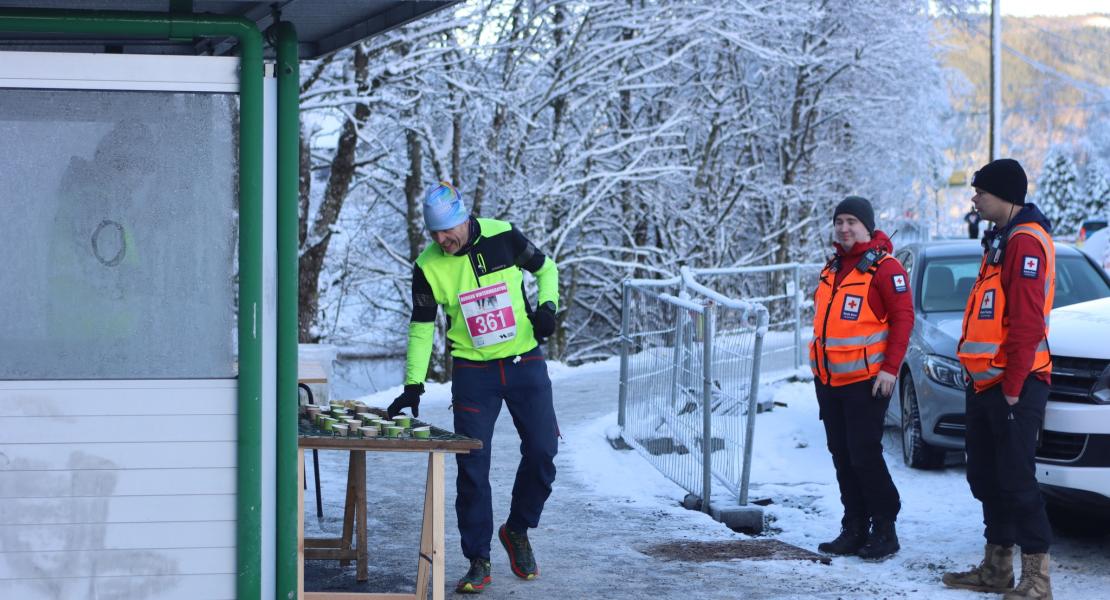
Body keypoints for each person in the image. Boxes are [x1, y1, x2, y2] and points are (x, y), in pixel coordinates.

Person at [388, 182, 560, 594]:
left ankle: (517, 530)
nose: (441, 240)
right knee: (472, 464)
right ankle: (477, 559)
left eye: (447, 231)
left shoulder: (504, 235)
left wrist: (549, 307)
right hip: (472, 372)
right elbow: (421, 328)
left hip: (524, 361)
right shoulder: (428, 266)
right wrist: (414, 383)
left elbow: (546, 268)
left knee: (542, 449)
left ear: (464, 218)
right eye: (434, 234)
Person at [943, 158, 1055, 600]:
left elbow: (1026, 323)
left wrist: (1011, 388)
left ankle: (1037, 579)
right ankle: (996, 569)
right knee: (986, 478)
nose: (974, 198)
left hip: (1016, 386)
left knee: (1016, 479)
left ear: (1005, 195)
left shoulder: (1025, 243)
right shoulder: (1001, 240)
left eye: (981, 192)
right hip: (986, 384)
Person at [809, 196, 912, 561]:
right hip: (830, 380)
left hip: (868, 381)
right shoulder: (834, 266)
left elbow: (903, 319)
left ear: (868, 225)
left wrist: (890, 369)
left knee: (864, 454)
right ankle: (854, 525)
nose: (844, 228)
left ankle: (885, 527)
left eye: (852, 221)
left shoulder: (886, 268)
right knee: (842, 455)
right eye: (839, 221)